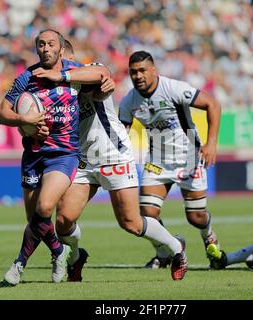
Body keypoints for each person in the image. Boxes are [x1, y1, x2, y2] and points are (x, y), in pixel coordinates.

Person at [54, 42, 188, 281]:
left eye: (62, 55)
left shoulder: (91, 69)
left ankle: (176, 248)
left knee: (130, 223)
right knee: (63, 220)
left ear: (68, 54)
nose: (59, 60)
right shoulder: (52, 88)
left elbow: (102, 77)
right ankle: (75, 258)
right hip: (84, 158)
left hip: (113, 154)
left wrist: (64, 76)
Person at [0, 29, 111, 285]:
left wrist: (61, 76)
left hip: (64, 154)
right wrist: (23, 119)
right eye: (41, 45)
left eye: (51, 44)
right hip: (34, 154)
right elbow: (1, 113)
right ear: (36, 49)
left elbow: (103, 74)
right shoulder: (27, 77)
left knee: (45, 207)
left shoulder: (74, 72)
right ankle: (59, 251)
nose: (46, 48)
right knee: (35, 220)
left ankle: (18, 264)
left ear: (60, 48)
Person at [119, 51, 222, 269]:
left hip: (189, 159)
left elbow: (212, 104)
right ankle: (165, 252)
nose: (137, 76)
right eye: (133, 72)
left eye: (142, 71)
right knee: (148, 213)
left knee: (196, 217)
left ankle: (209, 236)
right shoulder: (129, 101)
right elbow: (121, 134)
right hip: (157, 161)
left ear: (154, 70)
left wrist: (211, 143)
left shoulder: (173, 88)